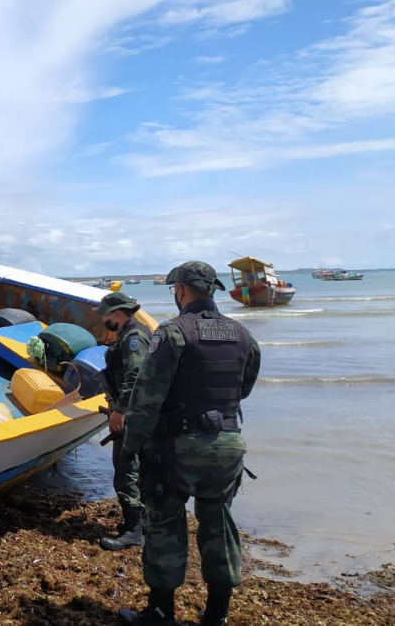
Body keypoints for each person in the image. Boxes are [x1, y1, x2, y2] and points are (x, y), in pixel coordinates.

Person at [117, 261, 261, 626]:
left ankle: (162, 613)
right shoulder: (242, 334)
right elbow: (243, 387)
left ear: (180, 290)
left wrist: (132, 444)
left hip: (176, 447)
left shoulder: (172, 333)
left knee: (164, 525)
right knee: (219, 523)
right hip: (228, 445)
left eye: (174, 291)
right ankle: (217, 616)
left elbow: (147, 396)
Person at [95, 291, 152, 551]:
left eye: (105, 315)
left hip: (132, 414)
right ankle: (140, 524)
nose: (103, 320)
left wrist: (120, 411)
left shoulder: (134, 337)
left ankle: (134, 532)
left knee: (126, 472)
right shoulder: (129, 334)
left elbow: (136, 375)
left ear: (117, 313)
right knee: (135, 469)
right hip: (134, 412)